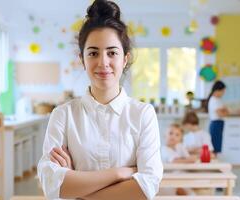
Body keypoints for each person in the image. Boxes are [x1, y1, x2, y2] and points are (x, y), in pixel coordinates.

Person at [37, 1, 163, 199]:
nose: (103, 62)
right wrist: (120, 173)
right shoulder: (63, 115)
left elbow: (147, 186)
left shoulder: (143, 114)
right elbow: (51, 184)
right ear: (82, 59)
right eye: (93, 53)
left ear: (125, 58)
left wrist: (77, 184)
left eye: (112, 53)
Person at [160, 123, 196, 196]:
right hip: (168, 178)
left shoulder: (180, 147)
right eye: (171, 133)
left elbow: (188, 157)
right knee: (181, 191)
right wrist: (187, 160)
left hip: (180, 176)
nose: (173, 136)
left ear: (180, 138)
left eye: (177, 135)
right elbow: (174, 161)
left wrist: (187, 158)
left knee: (191, 193)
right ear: (165, 135)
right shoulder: (164, 149)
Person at [207, 80, 228, 156]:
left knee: (217, 147)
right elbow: (221, 114)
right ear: (217, 90)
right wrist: (224, 111)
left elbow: (226, 112)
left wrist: (224, 111)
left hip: (219, 124)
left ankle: (215, 164)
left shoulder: (218, 100)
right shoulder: (213, 100)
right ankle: (213, 165)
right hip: (215, 124)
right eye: (222, 91)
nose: (223, 93)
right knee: (214, 147)